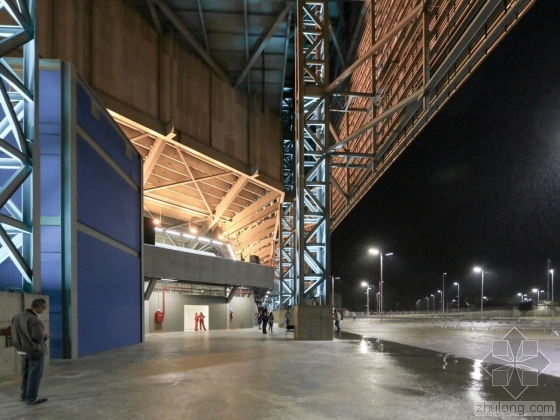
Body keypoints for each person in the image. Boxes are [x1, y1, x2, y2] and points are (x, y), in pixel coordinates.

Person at [11, 298, 51, 405]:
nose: (43, 310)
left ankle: (25, 395)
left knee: (26, 373)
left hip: (22, 350)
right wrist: (45, 336)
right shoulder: (34, 319)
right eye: (44, 308)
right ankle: (32, 398)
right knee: (35, 375)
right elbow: (38, 337)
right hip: (34, 351)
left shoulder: (17, 316)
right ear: (39, 307)